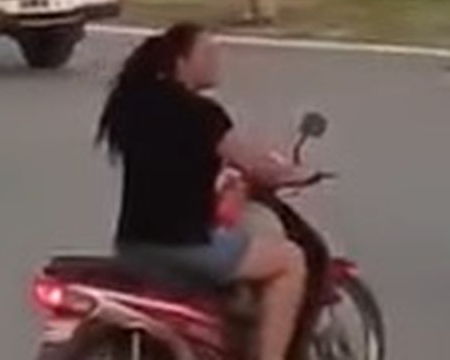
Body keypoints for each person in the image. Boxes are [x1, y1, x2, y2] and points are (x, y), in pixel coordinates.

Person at [97, 23, 309, 360]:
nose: (216, 61)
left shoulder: (132, 104)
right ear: (180, 61)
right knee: (290, 260)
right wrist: (293, 174)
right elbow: (252, 164)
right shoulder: (201, 114)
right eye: (207, 54)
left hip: (133, 245)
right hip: (184, 247)